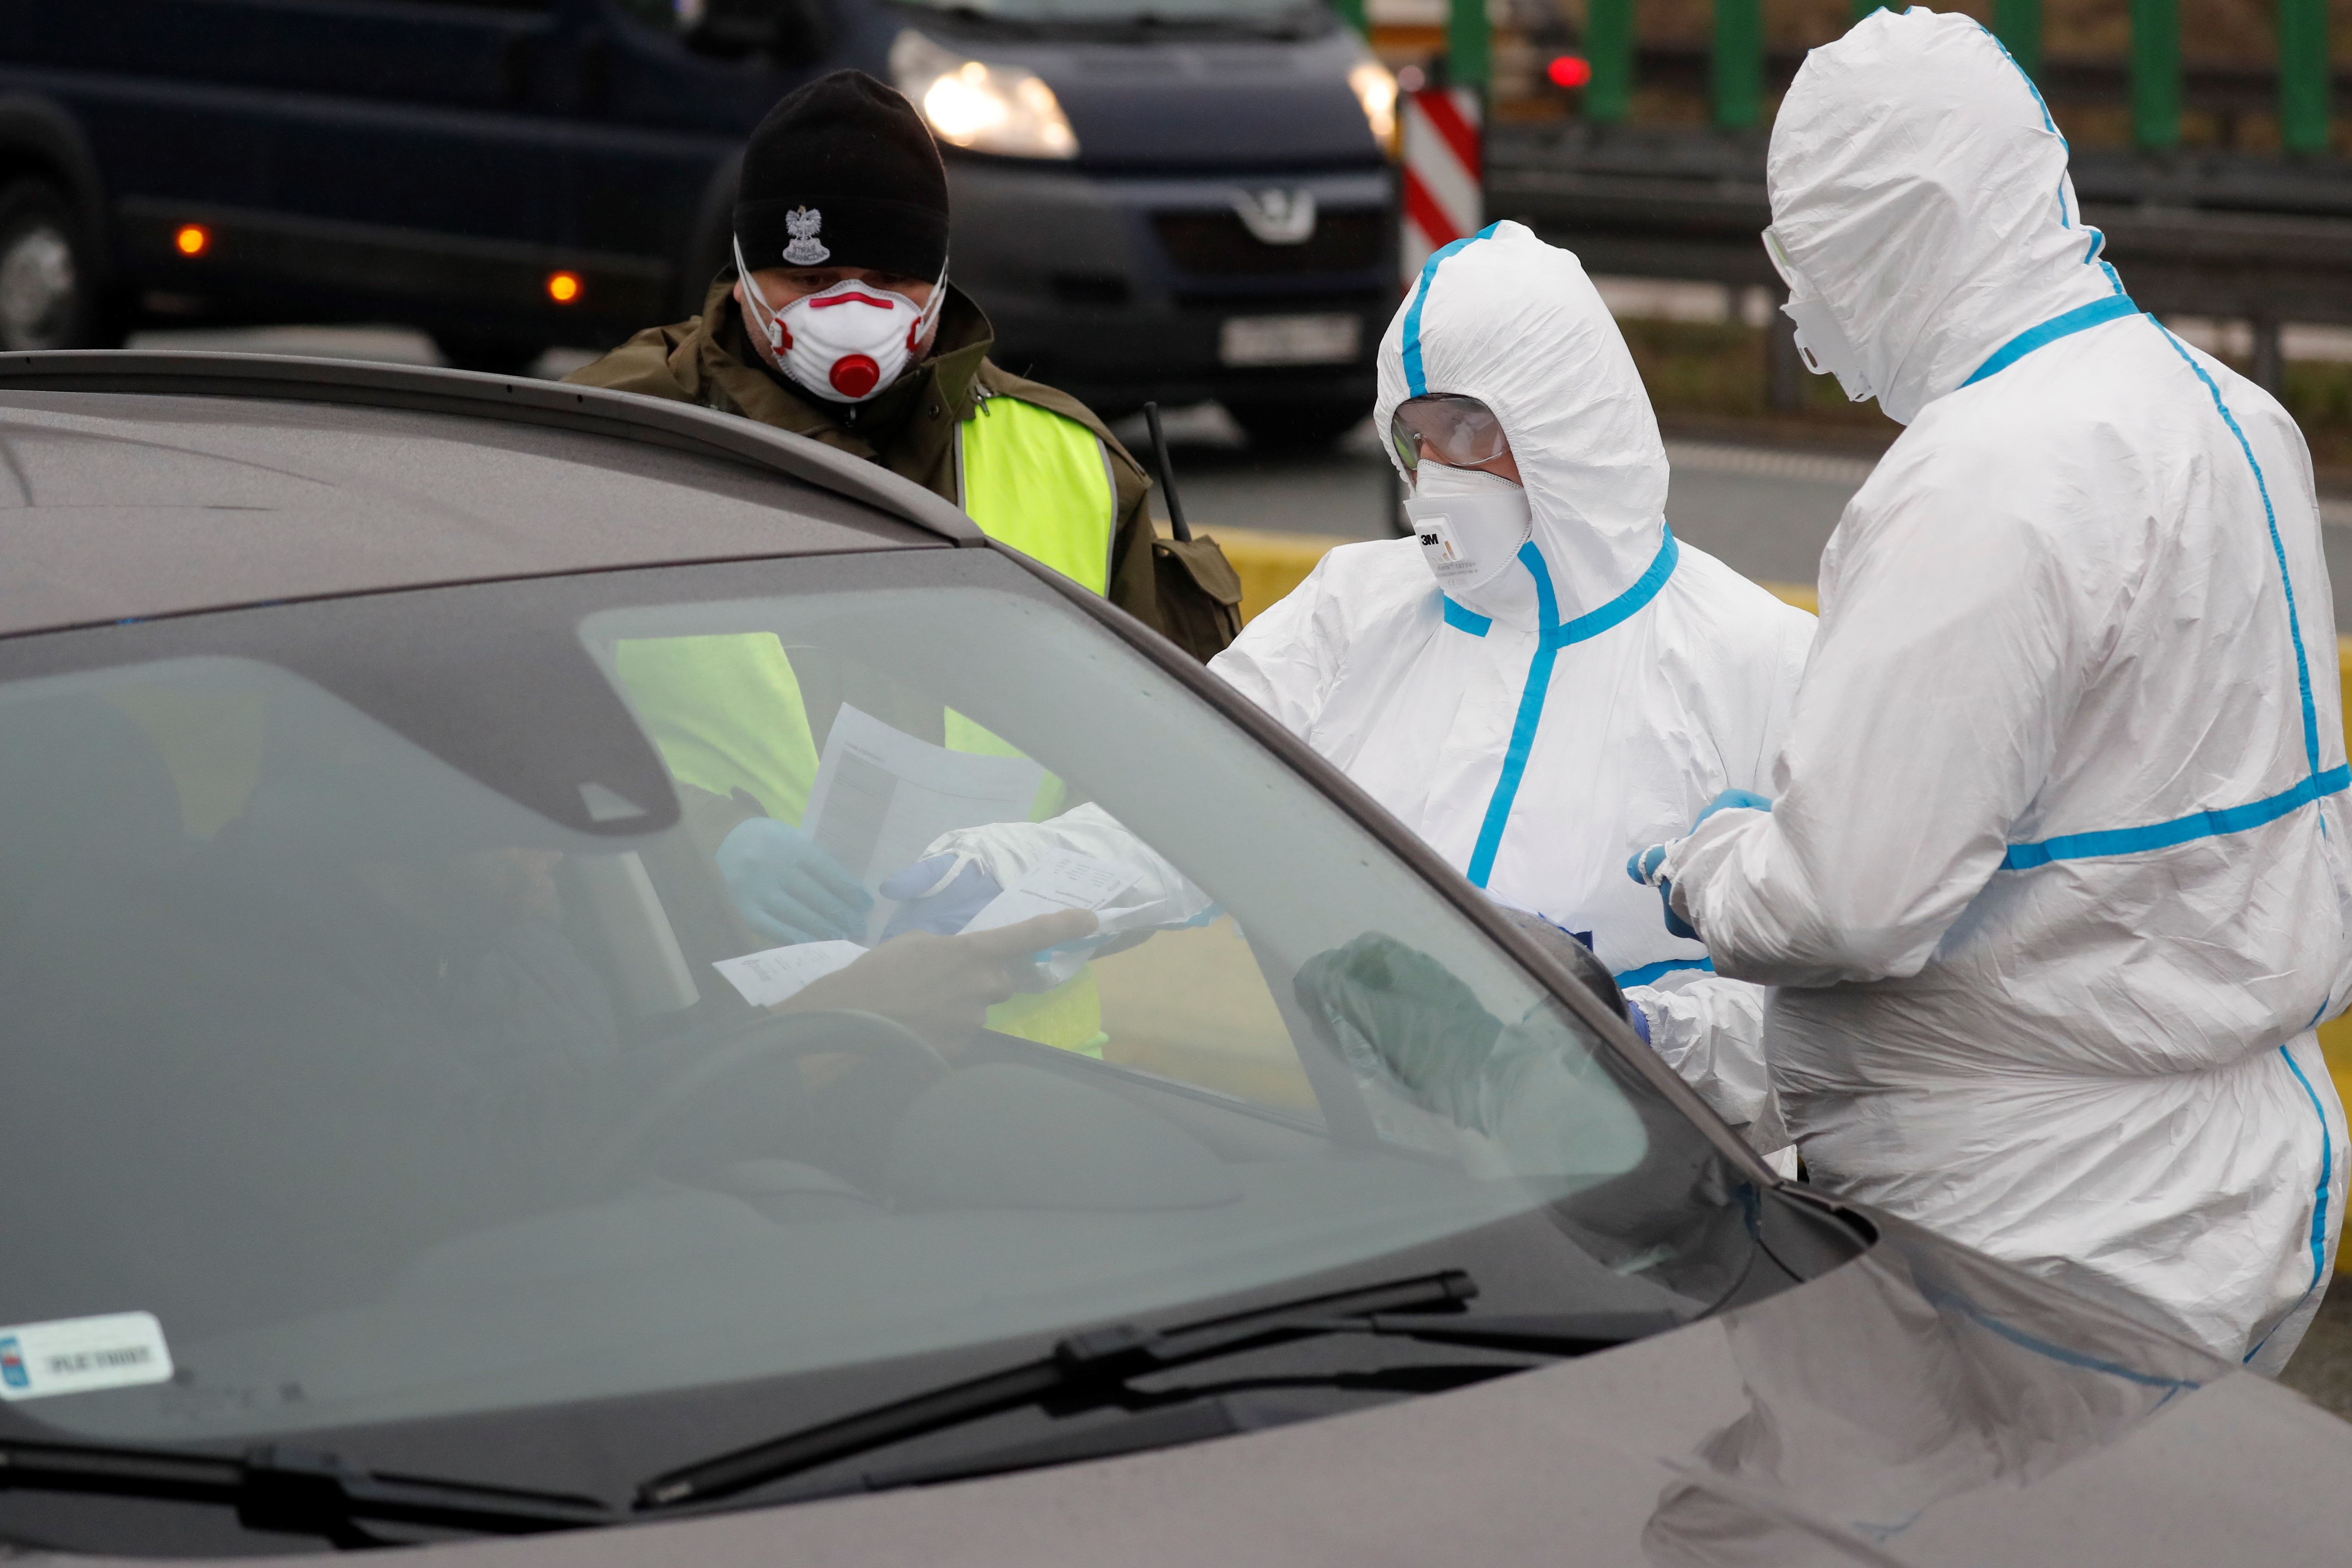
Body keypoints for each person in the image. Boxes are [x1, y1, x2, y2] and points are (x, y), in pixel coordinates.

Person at [1631, 9, 2351, 1370]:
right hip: (2242, 1165)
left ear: (1894, 235)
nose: (1801, 308)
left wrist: (1710, 867)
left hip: (2048, 1216)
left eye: (1815, 257)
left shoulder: (1988, 477)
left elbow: (1850, 901)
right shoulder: (2232, 412)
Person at [895, 221, 1817, 1158]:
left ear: (1570, 418)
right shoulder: (1354, 612)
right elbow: (1184, 794)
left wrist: (1620, 1041)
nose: (1436, 474)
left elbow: (1841, 1022)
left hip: (1668, 1213)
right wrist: (1000, 876)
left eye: (1468, 428)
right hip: (1396, 1208)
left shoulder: (1765, 664)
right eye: (1413, 439)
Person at [564, 70, 1241, 991]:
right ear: (742, 268)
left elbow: (1177, 771)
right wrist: (697, 843)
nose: (850, 312)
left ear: (940, 275)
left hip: (1006, 1041)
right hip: (715, 1030)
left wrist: (1055, 894)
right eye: (807, 278)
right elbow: (492, 727)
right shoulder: (607, 441)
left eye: (888, 279)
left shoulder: (1073, 464)